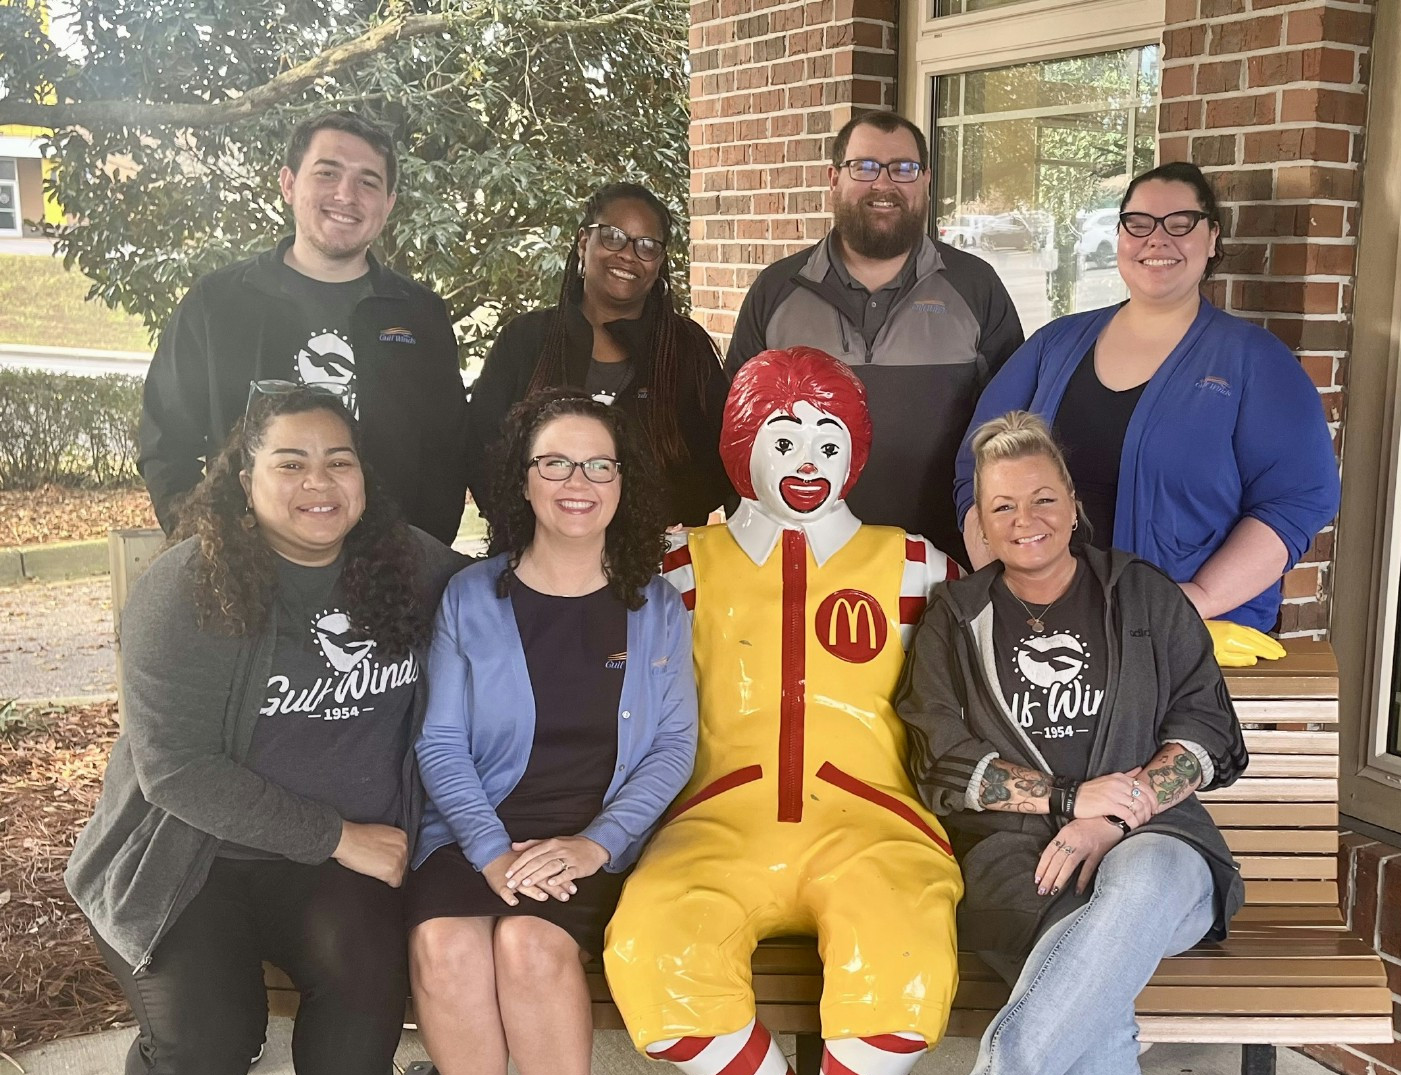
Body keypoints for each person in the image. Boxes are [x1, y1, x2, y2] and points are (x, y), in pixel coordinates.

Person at [605, 347, 1007, 1075]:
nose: (806, 457)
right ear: (743, 446)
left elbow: (1001, 675)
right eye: (783, 435)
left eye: (830, 438)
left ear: (857, 452)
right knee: (652, 950)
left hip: (869, 821)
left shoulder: (916, 564)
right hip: (717, 821)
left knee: (903, 942)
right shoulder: (677, 563)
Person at [66, 387, 466, 1075]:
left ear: (366, 479)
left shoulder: (411, 567)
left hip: (338, 867)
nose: (317, 482)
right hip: (187, 859)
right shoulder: (185, 586)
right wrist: (335, 834)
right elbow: (176, 774)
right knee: (209, 1037)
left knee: (368, 978)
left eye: (339, 461)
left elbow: (512, 604)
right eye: (290, 461)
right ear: (243, 477)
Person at [891, 412, 1248, 1075]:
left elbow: (1208, 729)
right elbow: (945, 766)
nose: (1027, 518)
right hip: (1018, 865)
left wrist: (1117, 810)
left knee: (1128, 893)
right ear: (980, 521)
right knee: (1090, 1007)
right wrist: (1062, 803)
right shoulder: (958, 621)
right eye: (1004, 505)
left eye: (1044, 496)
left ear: (1074, 503)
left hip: (1160, 848)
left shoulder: (1143, 597)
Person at [407, 391, 696, 1075]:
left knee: (529, 946)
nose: (580, 483)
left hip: (591, 835)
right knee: (446, 944)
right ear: (521, 481)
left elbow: (670, 748)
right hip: (475, 826)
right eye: (557, 464)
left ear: (623, 483)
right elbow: (441, 745)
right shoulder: (471, 595)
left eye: (599, 465)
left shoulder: (654, 603)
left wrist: (595, 843)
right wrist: (492, 852)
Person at [954, 161, 1341, 666]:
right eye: (1139, 223)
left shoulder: (1253, 361)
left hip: (1185, 646)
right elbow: (976, 466)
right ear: (1119, 235)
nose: (1157, 240)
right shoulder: (1056, 344)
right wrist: (1003, 583)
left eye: (1180, 222)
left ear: (1212, 237)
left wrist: (1194, 599)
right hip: (1049, 641)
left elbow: (1297, 501)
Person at [139, 110, 472, 544]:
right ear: (289, 184)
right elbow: (166, 442)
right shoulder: (217, 304)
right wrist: (209, 545)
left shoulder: (418, 315)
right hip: (250, 578)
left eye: (368, 182)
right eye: (327, 173)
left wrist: (420, 558)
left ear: (388, 203)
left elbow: (447, 454)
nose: (346, 195)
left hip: (390, 583)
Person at [726, 110, 1023, 564]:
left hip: (945, 567)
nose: (884, 185)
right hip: (801, 566)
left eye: (903, 168)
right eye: (864, 167)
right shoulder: (776, 292)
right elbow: (738, 435)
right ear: (833, 178)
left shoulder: (975, 287)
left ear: (924, 180)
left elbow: (1012, 432)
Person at [468, 183, 734, 526]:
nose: (628, 254)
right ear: (583, 243)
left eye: (647, 245)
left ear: (660, 262)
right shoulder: (526, 340)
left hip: (661, 567)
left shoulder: (686, 349)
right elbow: (482, 452)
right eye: (612, 236)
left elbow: (721, 460)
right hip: (540, 561)